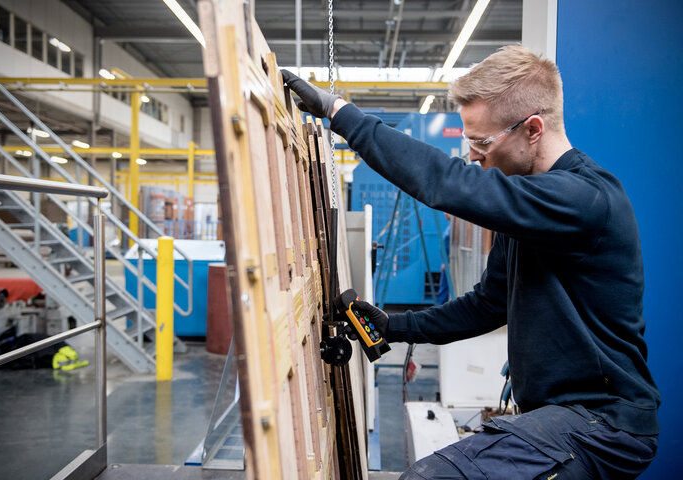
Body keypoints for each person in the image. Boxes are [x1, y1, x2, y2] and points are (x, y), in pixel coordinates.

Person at [282, 45, 659, 479]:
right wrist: (395, 326)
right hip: (556, 419)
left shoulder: (584, 198)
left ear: (533, 128)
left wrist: (341, 113)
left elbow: (446, 183)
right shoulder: (531, 207)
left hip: (601, 423)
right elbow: (487, 305)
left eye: (482, 141)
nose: (475, 155)